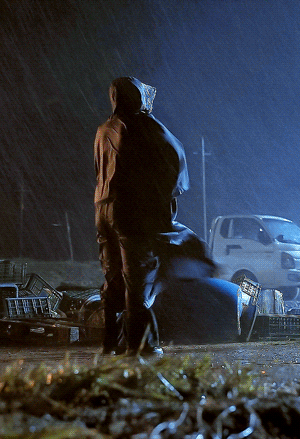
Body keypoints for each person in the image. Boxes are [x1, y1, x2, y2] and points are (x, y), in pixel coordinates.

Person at [94, 77, 189, 356]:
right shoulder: (142, 126)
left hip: (102, 209)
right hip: (129, 211)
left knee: (112, 275)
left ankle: (110, 342)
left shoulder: (103, 130)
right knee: (137, 279)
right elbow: (174, 156)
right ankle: (141, 345)